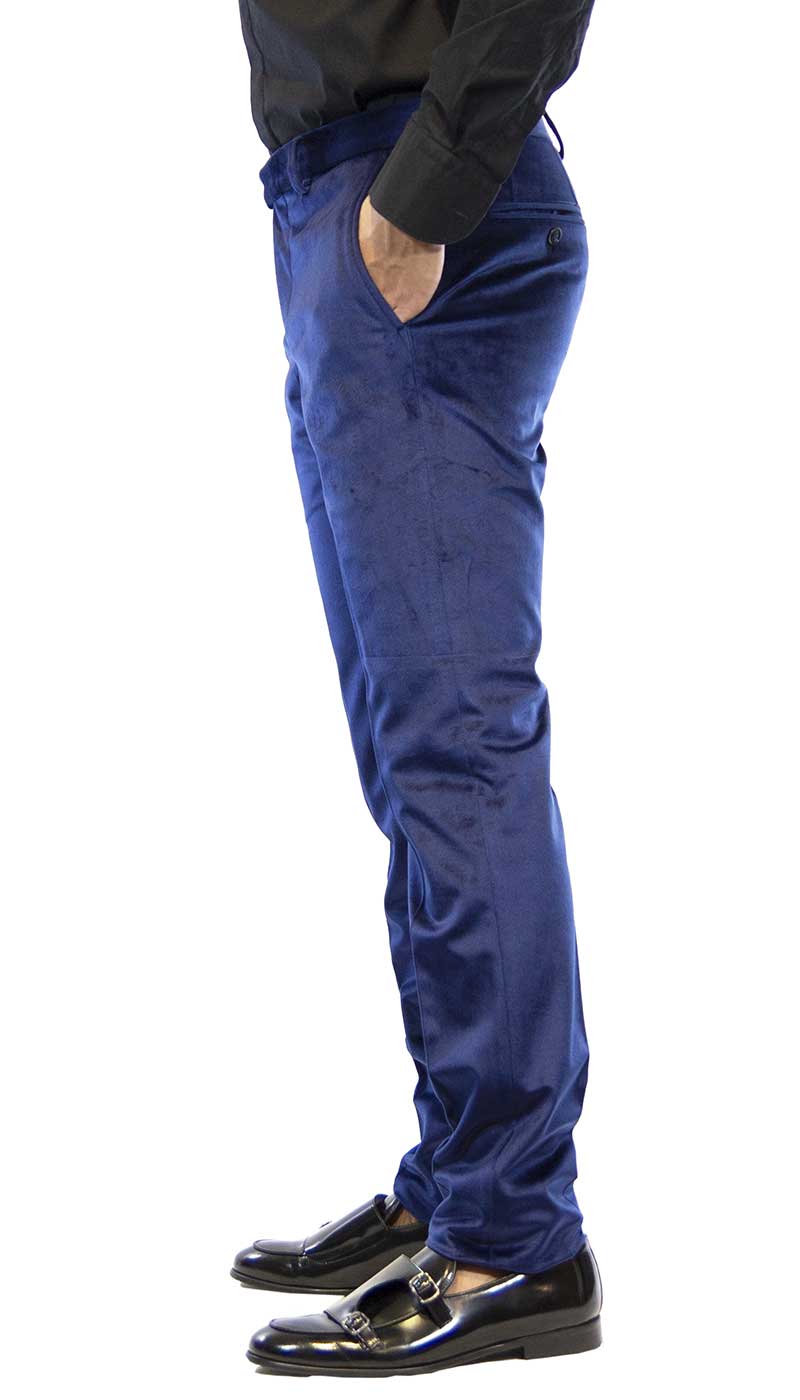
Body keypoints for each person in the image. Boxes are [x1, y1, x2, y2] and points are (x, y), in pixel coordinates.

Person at [232, 0, 601, 1376]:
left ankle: (511, 1234)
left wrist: (419, 197)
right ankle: (458, 1180)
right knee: (415, 763)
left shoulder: (418, 206)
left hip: (421, 212)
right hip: (344, 210)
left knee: (456, 756)